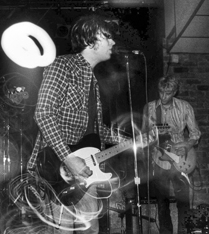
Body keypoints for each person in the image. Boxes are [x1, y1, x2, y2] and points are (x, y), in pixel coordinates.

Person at [26, 14, 131, 234]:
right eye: (108, 37)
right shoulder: (61, 66)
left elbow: (93, 131)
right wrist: (68, 157)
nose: (113, 42)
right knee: (62, 230)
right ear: (91, 39)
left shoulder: (92, 81)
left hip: (86, 173)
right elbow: (44, 113)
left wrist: (125, 140)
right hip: (58, 168)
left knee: (91, 230)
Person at [141, 75, 201, 234]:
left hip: (181, 158)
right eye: (161, 92)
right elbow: (144, 135)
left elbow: (195, 134)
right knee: (162, 203)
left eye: (168, 93)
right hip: (159, 159)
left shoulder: (185, 107)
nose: (163, 96)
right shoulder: (151, 108)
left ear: (175, 91)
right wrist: (147, 140)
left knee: (183, 202)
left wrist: (187, 146)